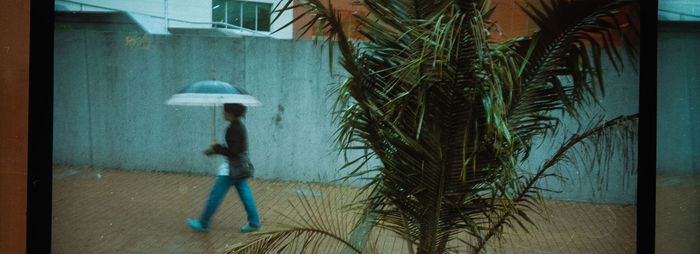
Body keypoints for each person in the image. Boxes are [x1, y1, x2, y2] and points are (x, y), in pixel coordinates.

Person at [187, 103, 262, 233]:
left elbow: (233, 151)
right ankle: (254, 224)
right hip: (240, 168)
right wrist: (216, 149)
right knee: (245, 194)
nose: (223, 113)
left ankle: (203, 223)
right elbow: (236, 149)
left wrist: (217, 148)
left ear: (230, 113)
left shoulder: (233, 129)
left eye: (225, 111)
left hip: (231, 170)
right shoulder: (239, 126)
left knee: (215, 196)